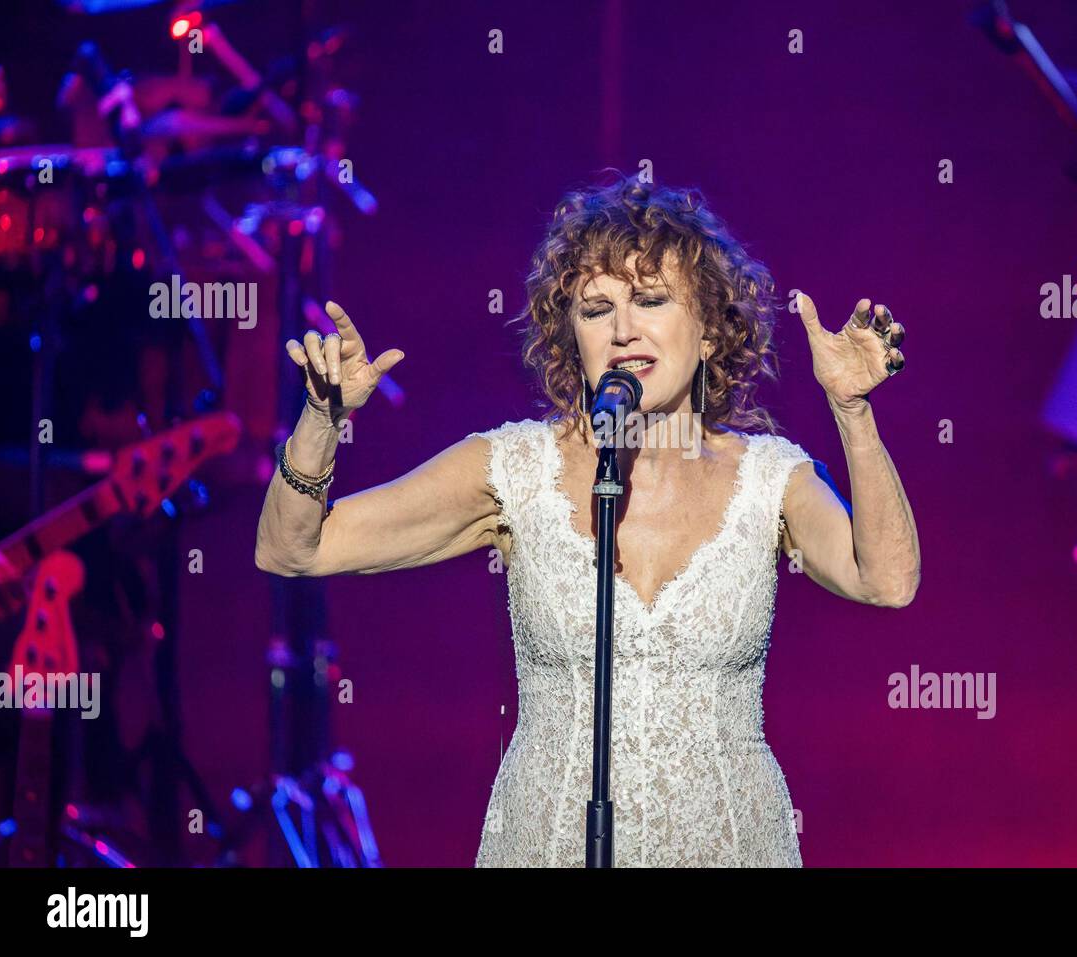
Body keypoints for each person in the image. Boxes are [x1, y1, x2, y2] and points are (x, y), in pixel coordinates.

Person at [254, 175, 920, 867]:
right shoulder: (513, 469)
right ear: (570, 335)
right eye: (596, 308)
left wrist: (852, 412)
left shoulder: (770, 478)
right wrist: (320, 422)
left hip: (730, 844)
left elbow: (887, 580)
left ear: (710, 330)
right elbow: (292, 550)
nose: (623, 329)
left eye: (652, 300)